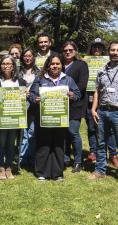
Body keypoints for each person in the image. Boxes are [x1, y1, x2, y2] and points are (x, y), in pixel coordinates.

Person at [29, 54, 81, 182]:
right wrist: (35, 99)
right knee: (43, 144)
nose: (55, 66)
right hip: (44, 118)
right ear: (48, 65)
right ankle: (41, 172)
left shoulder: (67, 79)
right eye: (52, 64)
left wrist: (72, 95)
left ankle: (58, 173)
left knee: (58, 145)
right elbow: (31, 94)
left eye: (58, 64)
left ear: (62, 65)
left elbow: (78, 94)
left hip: (60, 118)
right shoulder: (40, 79)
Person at [89, 41, 118, 186]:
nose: (115, 53)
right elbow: (97, 91)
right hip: (102, 111)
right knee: (101, 143)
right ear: (109, 51)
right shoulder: (102, 70)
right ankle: (100, 171)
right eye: (113, 50)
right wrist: (93, 109)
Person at [0, 55, 27, 180]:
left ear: (13, 66)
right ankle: (0, 168)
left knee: (11, 144)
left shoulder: (20, 81)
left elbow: (23, 99)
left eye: (9, 63)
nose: (6, 66)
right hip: (1, 118)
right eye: (3, 63)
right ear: (0, 66)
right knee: (1, 143)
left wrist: (26, 95)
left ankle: (9, 168)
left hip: (14, 116)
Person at [84, 38, 118, 167]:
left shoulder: (109, 63)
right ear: (91, 48)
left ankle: (113, 154)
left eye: (99, 47)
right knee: (92, 127)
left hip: (106, 100)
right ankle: (93, 153)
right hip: (89, 99)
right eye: (94, 47)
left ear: (103, 49)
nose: (97, 49)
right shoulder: (85, 62)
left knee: (110, 129)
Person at [62, 41, 89, 173]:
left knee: (73, 132)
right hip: (60, 104)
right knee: (64, 133)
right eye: (65, 50)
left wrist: (73, 93)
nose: (68, 52)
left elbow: (82, 84)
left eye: (70, 50)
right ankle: (66, 158)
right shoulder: (59, 65)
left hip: (76, 104)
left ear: (75, 51)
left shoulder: (81, 65)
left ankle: (78, 161)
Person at [16, 47, 40, 168]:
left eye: (30, 55)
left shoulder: (39, 72)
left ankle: (31, 159)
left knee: (32, 133)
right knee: (22, 133)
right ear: (22, 57)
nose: (28, 57)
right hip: (20, 105)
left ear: (34, 57)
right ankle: (21, 159)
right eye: (25, 55)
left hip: (33, 106)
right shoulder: (17, 71)